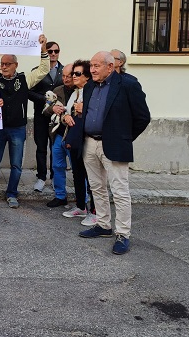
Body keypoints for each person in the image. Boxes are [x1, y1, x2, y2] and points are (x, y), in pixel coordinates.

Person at [78, 51, 150, 255]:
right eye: (91, 65)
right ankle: (103, 225)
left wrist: (124, 138)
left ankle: (123, 233)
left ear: (110, 67)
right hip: (90, 144)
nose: (91, 69)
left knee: (119, 191)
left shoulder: (128, 84)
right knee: (96, 187)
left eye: (96, 66)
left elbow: (143, 117)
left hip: (114, 145)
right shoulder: (90, 85)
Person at [0, 35, 49, 208]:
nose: (4, 67)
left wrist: (43, 50)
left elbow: (43, 70)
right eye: (2, 64)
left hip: (18, 129)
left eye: (7, 64)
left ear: (15, 65)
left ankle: (12, 194)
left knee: (16, 165)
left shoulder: (25, 79)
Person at [62, 60, 96, 225]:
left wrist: (86, 109)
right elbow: (68, 114)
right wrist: (65, 117)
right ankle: (81, 206)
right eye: (72, 73)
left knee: (92, 177)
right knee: (77, 174)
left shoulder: (93, 91)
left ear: (87, 77)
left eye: (77, 74)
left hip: (88, 139)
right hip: (75, 139)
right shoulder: (75, 93)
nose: (73, 76)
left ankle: (95, 211)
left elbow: (97, 114)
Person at [28, 41, 63, 192]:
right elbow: (28, 92)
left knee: (56, 147)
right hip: (41, 115)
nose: (53, 54)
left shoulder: (65, 71)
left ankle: (55, 177)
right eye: (50, 51)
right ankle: (41, 177)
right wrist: (45, 99)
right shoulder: (36, 71)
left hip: (58, 117)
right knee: (41, 147)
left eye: (56, 51)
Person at [42, 63, 75, 208]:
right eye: (64, 76)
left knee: (78, 169)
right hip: (58, 135)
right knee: (57, 166)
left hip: (74, 136)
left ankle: (84, 198)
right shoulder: (57, 90)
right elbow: (45, 109)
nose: (66, 79)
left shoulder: (82, 91)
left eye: (69, 76)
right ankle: (60, 196)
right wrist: (52, 108)